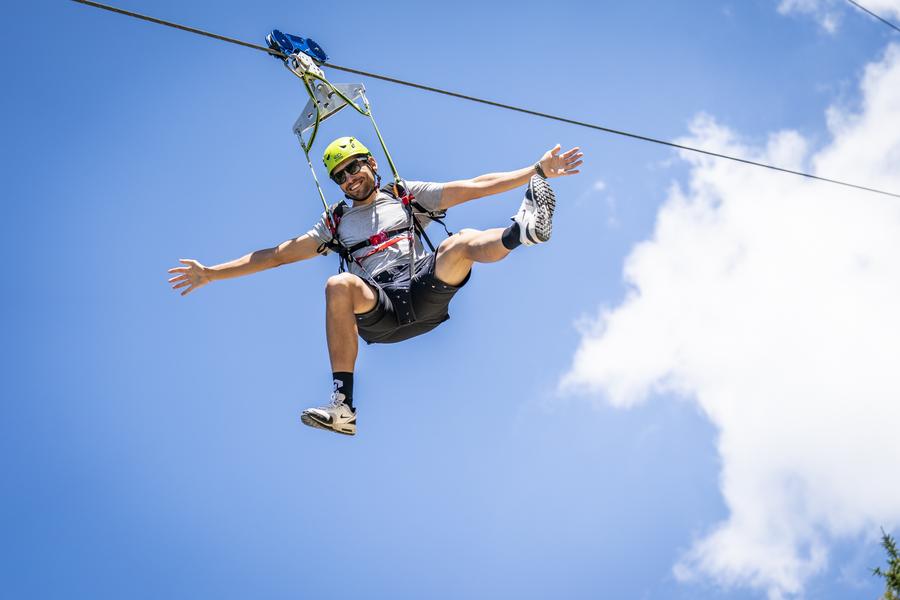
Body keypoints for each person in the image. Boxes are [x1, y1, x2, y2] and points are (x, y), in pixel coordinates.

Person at [168, 137, 583, 435]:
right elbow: (275, 255)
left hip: (421, 288)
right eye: (340, 176)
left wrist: (536, 171)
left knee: (459, 243)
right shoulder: (334, 223)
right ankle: (343, 407)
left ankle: (521, 232)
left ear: (371, 164)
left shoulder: (404, 195)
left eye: (354, 168)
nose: (349, 179)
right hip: (380, 309)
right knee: (338, 284)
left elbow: (474, 186)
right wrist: (212, 273)